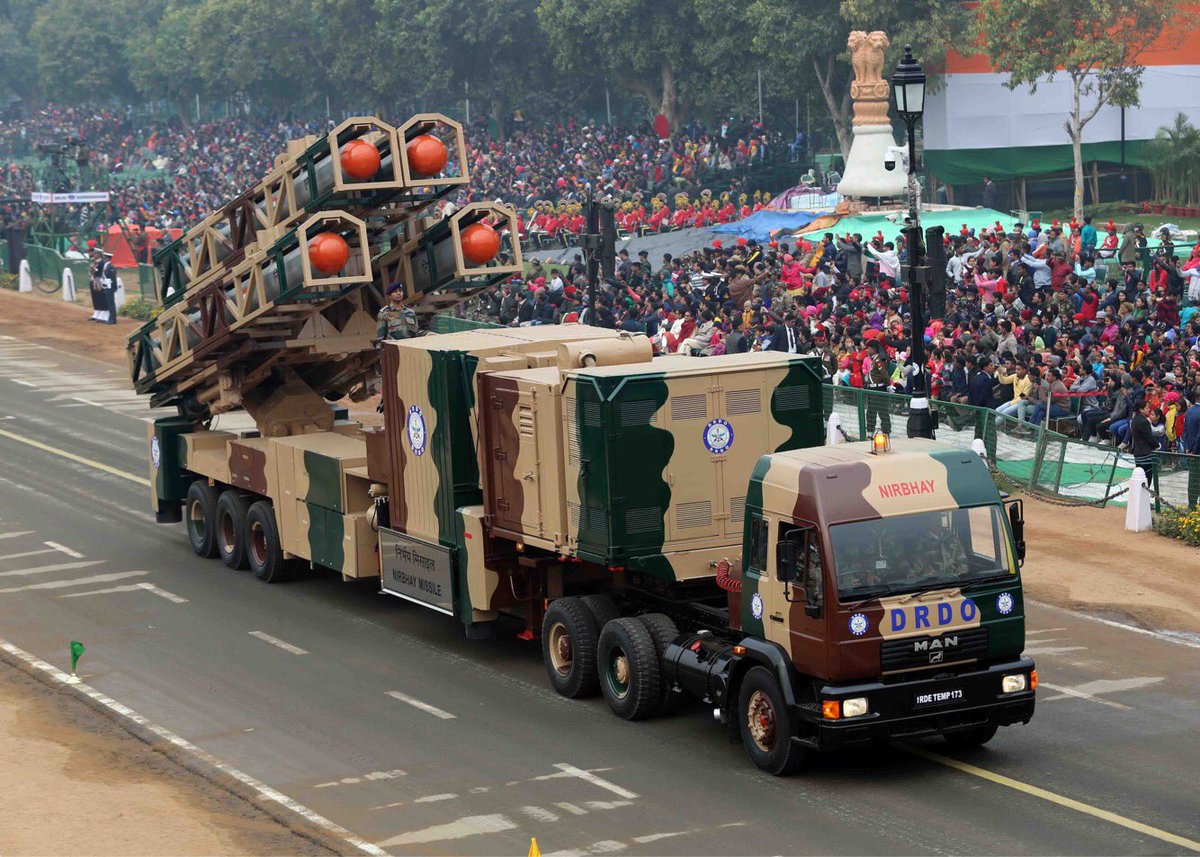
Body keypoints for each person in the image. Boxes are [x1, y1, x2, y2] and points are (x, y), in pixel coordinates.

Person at [97, 251, 118, 325]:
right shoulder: (105, 266)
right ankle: (110, 317)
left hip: (109, 287)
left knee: (111, 303)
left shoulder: (110, 267)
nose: (103, 259)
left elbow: (113, 279)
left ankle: (113, 318)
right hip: (105, 286)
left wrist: (114, 287)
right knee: (108, 303)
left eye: (104, 257)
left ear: (107, 258)